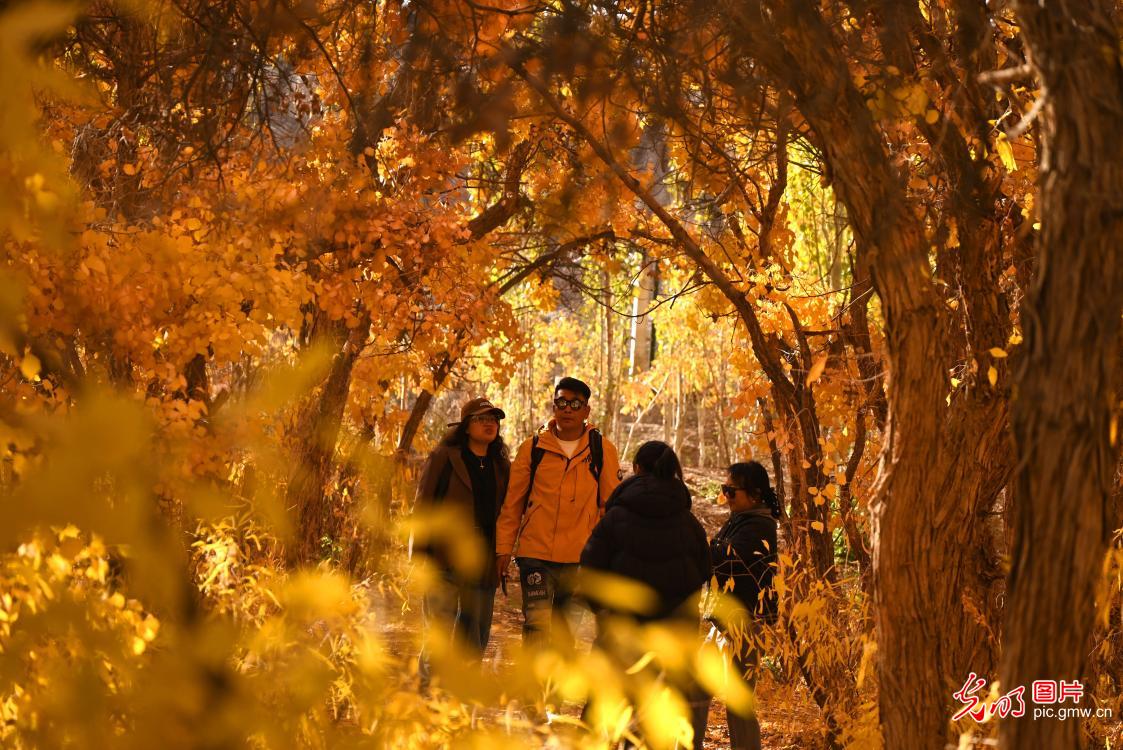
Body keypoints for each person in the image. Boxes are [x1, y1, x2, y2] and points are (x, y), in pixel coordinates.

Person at [579, 441, 711, 750]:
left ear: (637, 468)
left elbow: (590, 568)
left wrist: (602, 611)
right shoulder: (688, 522)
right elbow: (704, 571)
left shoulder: (616, 517)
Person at [494, 376, 621, 646]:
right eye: (562, 402)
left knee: (565, 635)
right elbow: (513, 503)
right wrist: (504, 548)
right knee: (537, 626)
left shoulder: (602, 450)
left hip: (579, 558)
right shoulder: (533, 448)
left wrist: (606, 556)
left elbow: (610, 507)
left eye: (576, 404)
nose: (567, 409)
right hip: (535, 554)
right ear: (554, 406)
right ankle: (533, 687)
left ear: (586, 411)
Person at [414, 397, 510, 690]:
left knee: (475, 637)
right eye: (482, 419)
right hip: (442, 561)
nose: (489, 423)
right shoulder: (444, 457)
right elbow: (423, 507)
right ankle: (428, 698)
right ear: (466, 426)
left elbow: (507, 512)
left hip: (482, 564)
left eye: (493, 419)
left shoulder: (501, 465)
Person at [708, 461, 781, 750]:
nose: (726, 496)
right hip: (726, 619)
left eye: (731, 491)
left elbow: (724, 557)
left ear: (754, 494)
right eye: (724, 490)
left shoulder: (759, 525)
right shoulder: (740, 518)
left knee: (738, 701)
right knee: (696, 689)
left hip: (746, 622)